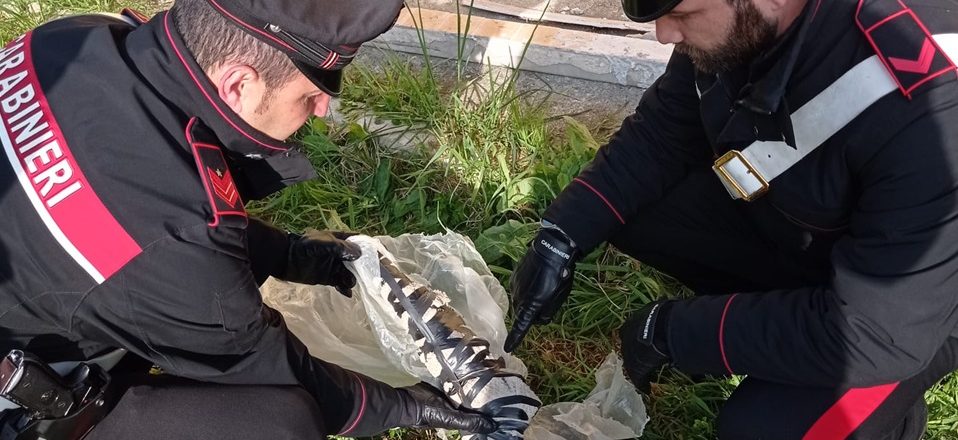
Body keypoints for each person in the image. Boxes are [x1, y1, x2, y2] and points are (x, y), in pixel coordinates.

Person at [0, 0, 497, 438]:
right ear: (238, 83)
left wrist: (293, 256)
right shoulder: (176, 243)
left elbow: (138, 218)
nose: (322, 109)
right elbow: (267, 365)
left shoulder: (73, 36)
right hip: (21, 389)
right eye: (309, 95)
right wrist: (407, 406)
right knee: (281, 423)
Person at [504, 0, 958, 437]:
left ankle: (889, 419)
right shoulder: (746, 22)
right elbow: (665, 130)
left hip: (916, 306)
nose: (663, 35)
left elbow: (875, 331)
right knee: (629, 206)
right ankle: (782, 321)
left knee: (762, 430)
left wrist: (677, 331)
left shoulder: (929, 108)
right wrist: (561, 234)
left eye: (682, 15)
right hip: (823, 234)